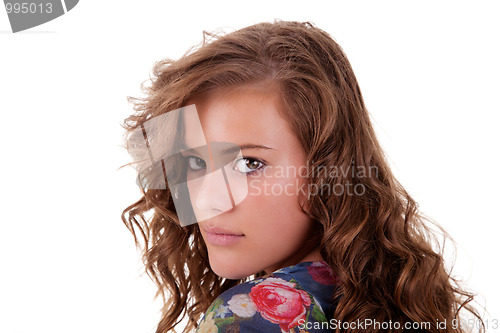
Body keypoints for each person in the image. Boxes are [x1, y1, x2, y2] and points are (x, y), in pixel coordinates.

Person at [121, 20, 484, 333]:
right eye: (195, 163)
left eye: (249, 164)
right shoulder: (390, 294)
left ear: (327, 170)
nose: (207, 199)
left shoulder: (249, 316)